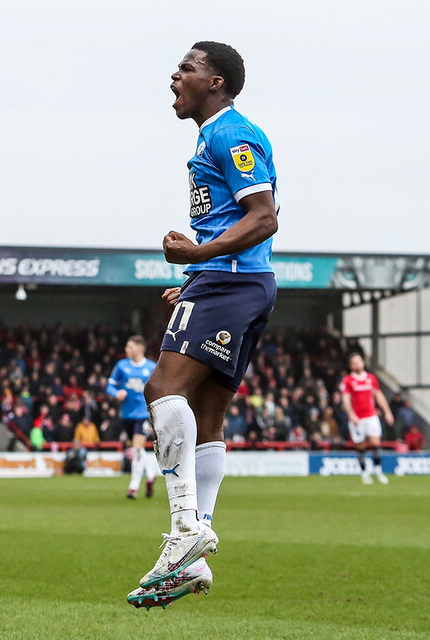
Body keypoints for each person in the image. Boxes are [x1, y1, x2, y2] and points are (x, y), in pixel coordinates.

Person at [128, 41, 279, 610]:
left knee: (162, 388)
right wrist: (199, 274)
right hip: (234, 281)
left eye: (188, 67)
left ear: (215, 82)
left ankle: (185, 528)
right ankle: (196, 555)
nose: (176, 74)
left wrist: (199, 257)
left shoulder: (228, 133)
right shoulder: (211, 134)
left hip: (232, 280)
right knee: (209, 415)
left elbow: (263, 216)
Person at [106, 335, 159, 499]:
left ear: (139, 348)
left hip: (143, 413)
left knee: (136, 449)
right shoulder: (122, 366)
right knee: (137, 450)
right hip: (126, 414)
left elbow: (159, 389)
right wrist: (117, 393)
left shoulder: (151, 367)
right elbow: (110, 385)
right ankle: (150, 475)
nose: (126, 350)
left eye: (129, 347)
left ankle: (133, 487)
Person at [340, 353, 394, 485]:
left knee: (376, 443)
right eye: (355, 362)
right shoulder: (347, 381)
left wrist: (387, 412)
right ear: (351, 366)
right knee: (361, 446)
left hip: (371, 416)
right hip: (357, 419)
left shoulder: (371, 378)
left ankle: (378, 471)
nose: (358, 364)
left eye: (360, 361)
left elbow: (379, 396)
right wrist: (351, 414)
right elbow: (345, 400)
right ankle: (364, 473)